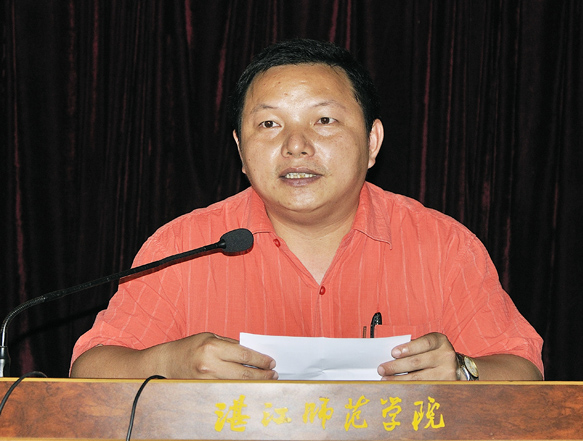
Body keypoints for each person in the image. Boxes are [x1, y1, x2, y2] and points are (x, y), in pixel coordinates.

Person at [70, 39, 543, 381]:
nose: (296, 145)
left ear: (372, 141)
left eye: (324, 120)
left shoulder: (443, 245)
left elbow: (524, 371)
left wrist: (463, 370)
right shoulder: (185, 244)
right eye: (269, 124)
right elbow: (88, 369)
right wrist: (166, 364)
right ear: (240, 150)